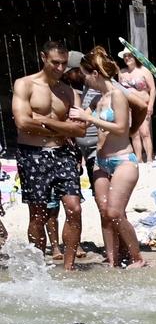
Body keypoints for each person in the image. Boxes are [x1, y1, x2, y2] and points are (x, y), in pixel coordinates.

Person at [13, 40, 87, 268]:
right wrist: (61, 126)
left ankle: (69, 266)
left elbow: (80, 129)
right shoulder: (25, 84)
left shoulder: (68, 92)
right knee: (38, 214)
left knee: (74, 208)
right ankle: (38, 268)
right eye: (55, 62)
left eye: (63, 64)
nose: (60, 68)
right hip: (33, 153)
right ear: (44, 57)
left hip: (63, 153)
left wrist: (44, 120)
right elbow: (23, 122)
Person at [78, 50, 145, 269]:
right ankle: (112, 259)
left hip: (123, 159)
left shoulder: (117, 94)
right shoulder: (98, 98)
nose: (83, 78)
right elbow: (82, 121)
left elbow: (121, 127)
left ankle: (137, 258)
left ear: (95, 73)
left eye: (85, 75)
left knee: (115, 212)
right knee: (105, 212)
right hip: (101, 161)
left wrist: (89, 118)